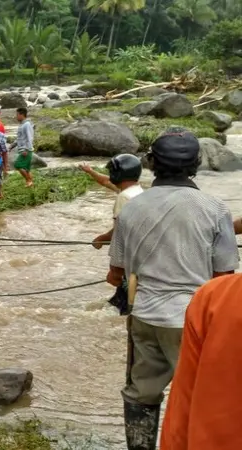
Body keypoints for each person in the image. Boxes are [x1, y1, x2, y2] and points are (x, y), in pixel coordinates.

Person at [106, 131, 239, 450]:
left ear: (151, 164)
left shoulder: (131, 210)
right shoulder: (215, 208)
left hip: (145, 317)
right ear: (196, 164)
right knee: (201, 396)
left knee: (141, 393)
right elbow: (224, 278)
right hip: (194, 324)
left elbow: (115, 275)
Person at [160, 274, 242, 450]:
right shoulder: (215, 296)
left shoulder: (214, 296)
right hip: (180, 316)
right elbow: (223, 269)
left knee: (142, 391)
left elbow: (180, 414)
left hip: (152, 313)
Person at [92, 154, 144, 250]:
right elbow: (106, 182)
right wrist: (90, 171)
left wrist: (101, 239)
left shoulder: (124, 197)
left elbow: (118, 231)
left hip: (126, 251)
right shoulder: (138, 191)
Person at [11, 107, 35, 187]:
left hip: (26, 150)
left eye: (17, 114)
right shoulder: (22, 125)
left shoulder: (27, 124)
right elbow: (19, 138)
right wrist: (11, 146)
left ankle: (28, 180)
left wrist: (26, 149)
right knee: (27, 169)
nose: (16, 116)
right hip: (23, 149)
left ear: (22, 115)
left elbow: (30, 137)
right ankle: (30, 183)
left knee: (18, 165)